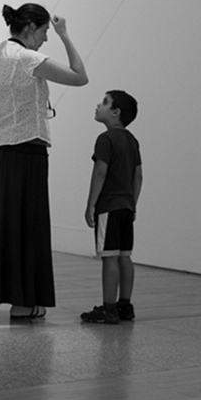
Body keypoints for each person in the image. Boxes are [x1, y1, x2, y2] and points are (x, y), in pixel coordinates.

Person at [0, 3, 88, 321]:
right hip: (26, 151)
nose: (45, 38)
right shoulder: (28, 59)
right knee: (27, 227)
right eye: (44, 32)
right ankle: (23, 304)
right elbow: (80, 77)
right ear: (30, 28)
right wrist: (65, 35)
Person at [80, 90, 142, 324]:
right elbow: (138, 176)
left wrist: (91, 204)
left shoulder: (105, 139)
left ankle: (109, 309)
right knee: (125, 256)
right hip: (126, 206)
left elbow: (100, 172)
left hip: (108, 206)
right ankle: (125, 306)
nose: (98, 105)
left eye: (104, 102)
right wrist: (133, 203)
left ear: (116, 112)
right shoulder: (132, 140)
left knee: (109, 257)